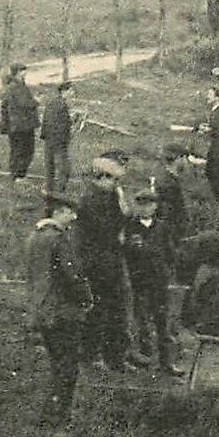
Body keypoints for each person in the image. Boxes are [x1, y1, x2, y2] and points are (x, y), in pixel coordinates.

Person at [25, 191, 92, 425]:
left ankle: (49, 414)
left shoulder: (35, 237)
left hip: (41, 310)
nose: (73, 217)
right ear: (58, 212)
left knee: (56, 363)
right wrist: (86, 299)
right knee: (68, 367)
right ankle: (59, 416)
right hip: (63, 311)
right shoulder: (59, 239)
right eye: (69, 212)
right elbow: (73, 275)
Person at [78, 155, 138, 371]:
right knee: (97, 311)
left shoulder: (111, 195)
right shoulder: (90, 200)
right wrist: (122, 219)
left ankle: (116, 356)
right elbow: (105, 230)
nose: (117, 185)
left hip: (111, 260)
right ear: (101, 177)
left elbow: (126, 219)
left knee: (117, 310)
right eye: (114, 180)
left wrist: (122, 205)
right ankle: (92, 356)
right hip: (95, 263)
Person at [121, 189, 181, 376]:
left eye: (149, 205)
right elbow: (125, 251)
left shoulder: (162, 227)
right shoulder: (130, 227)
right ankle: (145, 360)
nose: (145, 209)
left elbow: (170, 253)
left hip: (159, 281)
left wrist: (169, 271)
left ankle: (167, 363)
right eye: (141, 205)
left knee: (163, 323)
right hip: (139, 281)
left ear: (155, 207)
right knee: (142, 322)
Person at [0, 63, 39, 181]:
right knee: (24, 149)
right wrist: (35, 101)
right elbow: (24, 103)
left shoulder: (12, 86)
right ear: (17, 73)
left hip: (16, 125)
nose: (25, 73)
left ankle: (16, 174)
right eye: (22, 71)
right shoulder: (17, 87)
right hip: (21, 125)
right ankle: (19, 175)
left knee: (17, 149)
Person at [40, 81, 75, 196]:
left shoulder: (52, 103)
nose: (72, 93)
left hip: (49, 138)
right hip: (59, 140)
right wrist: (71, 122)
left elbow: (46, 120)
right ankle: (60, 191)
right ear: (64, 92)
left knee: (49, 165)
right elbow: (62, 124)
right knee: (64, 167)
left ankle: (49, 189)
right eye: (70, 90)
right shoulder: (62, 105)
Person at [154, 144, 191, 253]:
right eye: (185, 158)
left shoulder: (166, 178)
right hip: (170, 237)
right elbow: (167, 214)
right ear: (178, 159)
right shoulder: (169, 184)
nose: (187, 163)